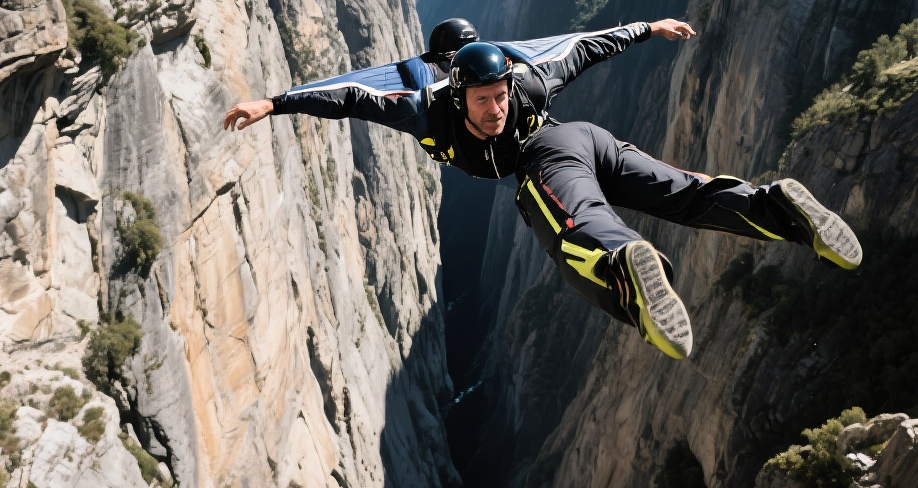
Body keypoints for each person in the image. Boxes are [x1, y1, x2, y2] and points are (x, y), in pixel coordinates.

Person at [224, 19, 862, 360]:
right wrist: (273, 104)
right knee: (685, 195)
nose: (495, 108)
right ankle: (779, 208)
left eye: (500, 96)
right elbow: (350, 96)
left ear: (507, 82)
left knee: (564, 221)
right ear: (456, 88)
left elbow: (584, 47)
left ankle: (620, 264)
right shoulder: (424, 104)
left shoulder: (499, 88)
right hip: (587, 146)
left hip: (557, 151)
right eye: (483, 100)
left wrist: (648, 28)